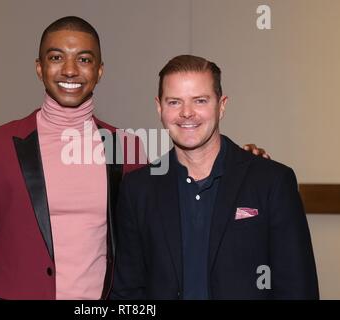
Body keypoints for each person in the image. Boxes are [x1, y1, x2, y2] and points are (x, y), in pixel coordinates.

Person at [0, 17, 268, 300]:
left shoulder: (126, 147)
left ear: (99, 71)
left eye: (84, 59)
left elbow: (162, 219)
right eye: (56, 57)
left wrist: (244, 163)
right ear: (39, 67)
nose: (70, 69)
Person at [111, 54, 319, 300]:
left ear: (222, 105)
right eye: (174, 102)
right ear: (159, 107)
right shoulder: (138, 190)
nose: (187, 113)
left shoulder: (272, 182)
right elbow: (128, 292)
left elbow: (298, 289)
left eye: (200, 100)